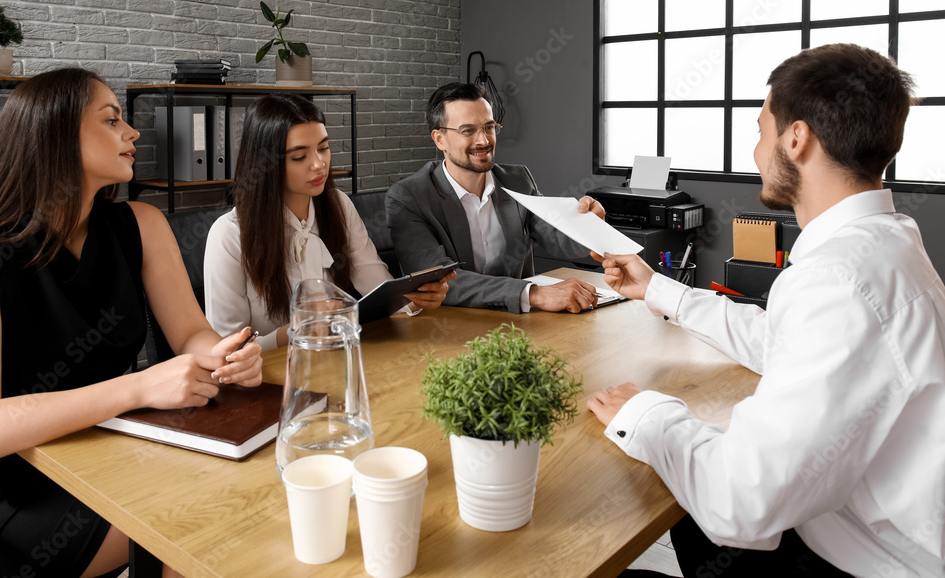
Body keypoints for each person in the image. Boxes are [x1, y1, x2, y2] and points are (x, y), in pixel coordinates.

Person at [589, 44, 945, 577]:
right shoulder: (886, 243)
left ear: (796, 138)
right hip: (848, 522)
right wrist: (658, 289)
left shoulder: (838, 281)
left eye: (761, 131)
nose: (756, 152)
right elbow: (780, 339)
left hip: (856, 558)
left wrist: (645, 412)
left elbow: (740, 504)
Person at [0, 68, 263, 578]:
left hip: (110, 450)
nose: (132, 133)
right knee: (199, 523)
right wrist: (138, 388)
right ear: (54, 136)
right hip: (10, 491)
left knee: (248, 484)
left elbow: (190, 334)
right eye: (112, 120)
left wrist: (220, 354)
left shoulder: (142, 224)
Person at [203, 94, 454, 351]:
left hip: (338, 360)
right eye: (299, 156)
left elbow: (377, 286)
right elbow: (228, 352)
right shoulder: (229, 235)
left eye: (323, 148)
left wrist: (414, 299)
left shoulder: (339, 205)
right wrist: (293, 332)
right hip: (269, 379)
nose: (319, 164)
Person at [386, 82, 606, 314]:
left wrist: (589, 225)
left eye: (489, 127)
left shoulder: (517, 179)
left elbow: (554, 236)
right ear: (440, 139)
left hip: (520, 322)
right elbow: (438, 279)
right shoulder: (409, 197)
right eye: (468, 130)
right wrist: (533, 293)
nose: (484, 141)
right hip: (448, 326)